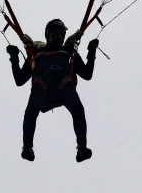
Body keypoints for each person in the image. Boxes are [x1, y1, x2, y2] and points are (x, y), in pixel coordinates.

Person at [6, 19, 99, 163]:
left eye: (62, 34)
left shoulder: (68, 52)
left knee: (78, 111)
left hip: (63, 89)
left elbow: (87, 74)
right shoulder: (37, 54)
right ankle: (27, 148)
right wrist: (14, 57)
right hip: (42, 88)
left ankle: (82, 149)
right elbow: (20, 80)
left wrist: (91, 51)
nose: (60, 37)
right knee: (30, 113)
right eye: (56, 34)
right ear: (47, 35)